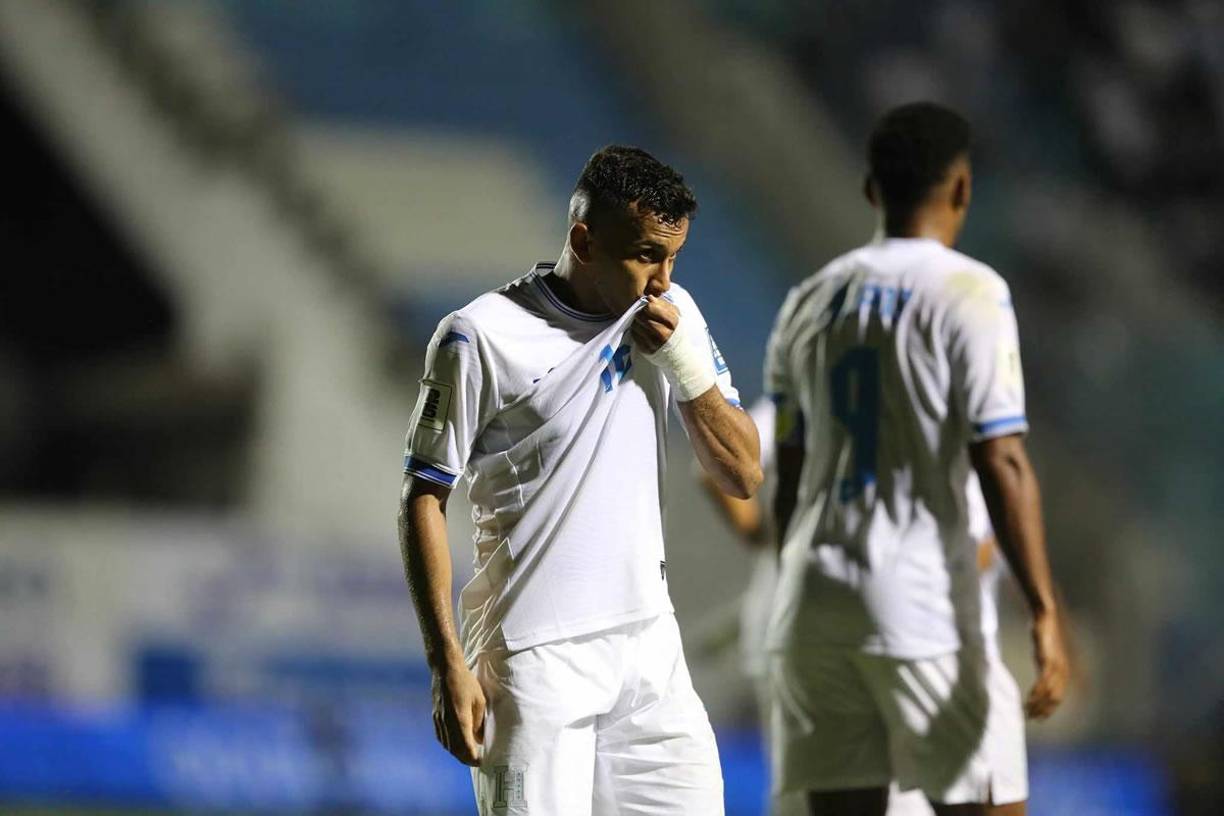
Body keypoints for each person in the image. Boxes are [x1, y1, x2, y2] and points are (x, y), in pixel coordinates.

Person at [397, 145, 762, 815]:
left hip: (649, 648)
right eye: (646, 255)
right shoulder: (480, 336)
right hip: (533, 657)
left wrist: (686, 366)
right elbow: (423, 496)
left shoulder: (673, 316)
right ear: (584, 240)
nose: (663, 279)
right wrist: (445, 659)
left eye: (674, 257)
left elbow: (742, 473)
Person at [764, 102, 1070, 816]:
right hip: (922, 604)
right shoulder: (971, 293)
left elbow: (789, 471)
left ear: (870, 189)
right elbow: (1003, 459)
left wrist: (798, 577)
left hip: (814, 600)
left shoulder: (808, 300)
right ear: (962, 187)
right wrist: (1044, 609)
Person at [701, 399, 1025, 816]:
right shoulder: (930, 411)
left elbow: (714, 467)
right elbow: (980, 542)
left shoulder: (807, 393)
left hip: (801, 627)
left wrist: (762, 534)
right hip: (894, 636)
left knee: (808, 797)